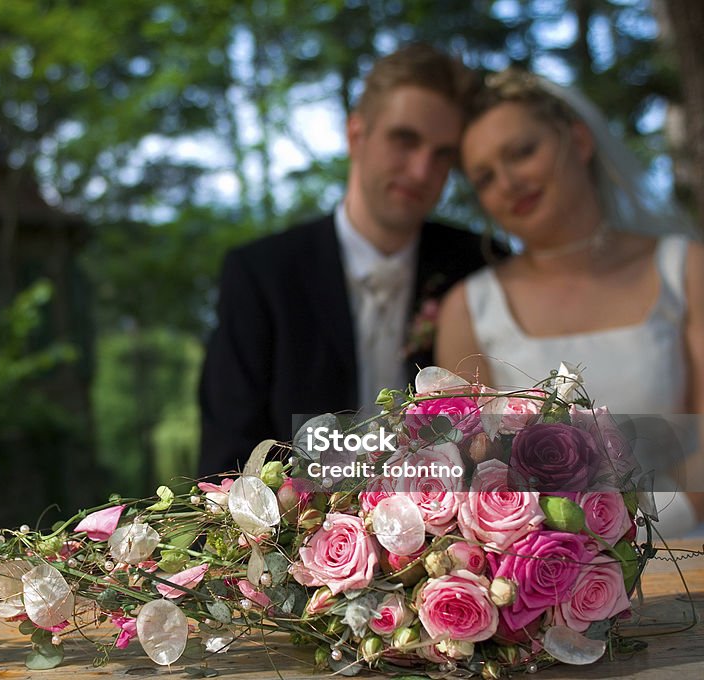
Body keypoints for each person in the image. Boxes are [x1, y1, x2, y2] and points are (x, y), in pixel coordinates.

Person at [198, 44, 494, 477]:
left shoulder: (478, 265)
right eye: (405, 139)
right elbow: (228, 461)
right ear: (356, 135)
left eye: (443, 154)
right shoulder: (262, 274)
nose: (421, 170)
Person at [435, 67, 704, 535]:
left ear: (578, 140)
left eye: (522, 152)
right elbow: (467, 470)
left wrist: (617, 541)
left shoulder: (686, 269)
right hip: (537, 576)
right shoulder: (468, 308)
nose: (508, 181)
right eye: (484, 177)